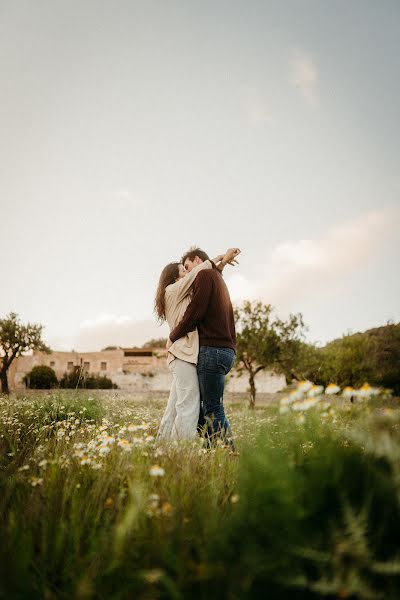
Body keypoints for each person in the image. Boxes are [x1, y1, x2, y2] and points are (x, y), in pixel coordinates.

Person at [154, 248, 239, 441]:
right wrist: (220, 258)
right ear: (175, 278)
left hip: (184, 354)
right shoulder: (173, 290)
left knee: (174, 406)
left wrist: (222, 264)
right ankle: (180, 451)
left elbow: (207, 283)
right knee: (189, 405)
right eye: (183, 270)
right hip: (182, 353)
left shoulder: (183, 292)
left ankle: (161, 447)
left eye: (186, 268)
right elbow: (199, 274)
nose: (187, 272)